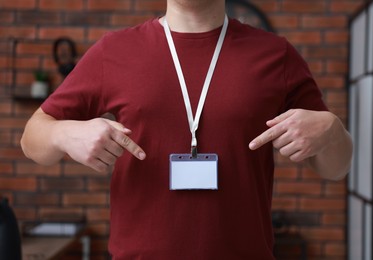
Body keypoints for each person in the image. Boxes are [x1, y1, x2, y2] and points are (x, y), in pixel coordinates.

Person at [21, 0, 353, 259]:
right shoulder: (114, 51)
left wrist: (333, 130)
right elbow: (32, 138)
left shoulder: (276, 55)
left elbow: (337, 168)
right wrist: (62, 133)